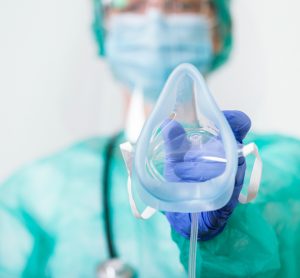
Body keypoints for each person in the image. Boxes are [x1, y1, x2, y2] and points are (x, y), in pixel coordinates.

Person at [1, 0, 300, 277]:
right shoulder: (40, 192)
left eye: (182, 4)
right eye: (132, 6)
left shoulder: (288, 169)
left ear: (218, 32)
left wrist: (224, 235)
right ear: (104, 30)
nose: (155, 23)